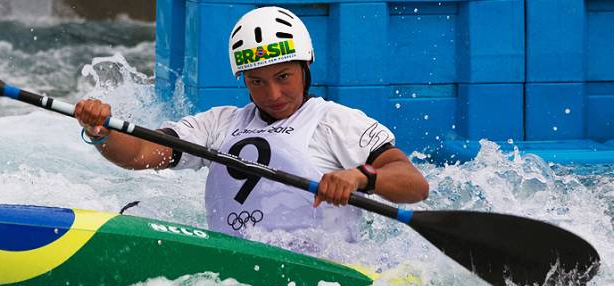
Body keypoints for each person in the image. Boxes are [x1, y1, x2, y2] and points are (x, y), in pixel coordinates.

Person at [74, 6, 429, 241]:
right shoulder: (219, 124)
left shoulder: (337, 122)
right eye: (257, 81)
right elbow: (141, 153)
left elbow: (414, 184)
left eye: (284, 76)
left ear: (306, 67)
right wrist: (101, 132)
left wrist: (361, 177)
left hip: (326, 274)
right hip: (239, 264)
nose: (273, 93)